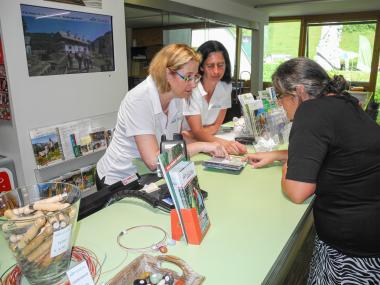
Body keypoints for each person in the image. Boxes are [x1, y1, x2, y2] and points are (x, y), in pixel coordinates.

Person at [246, 57, 380, 284]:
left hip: (352, 250)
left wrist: (287, 168)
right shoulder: (342, 102)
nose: (279, 104)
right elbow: (337, 152)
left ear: (298, 91)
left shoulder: (310, 112)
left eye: (280, 96)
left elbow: (298, 191)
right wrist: (278, 155)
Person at [96, 44, 228, 190]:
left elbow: (174, 140)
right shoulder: (139, 99)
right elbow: (154, 161)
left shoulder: (178, 97)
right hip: (118, 179)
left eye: (195, 77)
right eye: (188, 77)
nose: (194, 84)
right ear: (167, 73)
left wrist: (212, 146)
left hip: (146, 176)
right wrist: (202, 145)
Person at [182, 40, 246, 155]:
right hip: (187, 145)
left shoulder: (226, 86)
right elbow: (197, 131)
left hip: (201, 140)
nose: (216, 71)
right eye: (210, 66)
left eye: (220, 65)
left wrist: (195, 133)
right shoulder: (191, 88)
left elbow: (216, 126)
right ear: (200, 67)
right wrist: (225, 144)